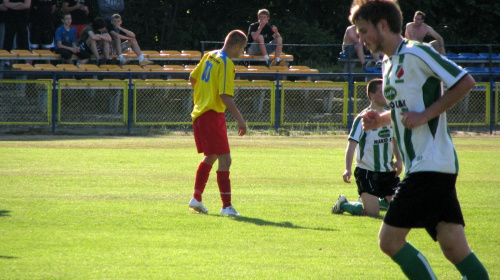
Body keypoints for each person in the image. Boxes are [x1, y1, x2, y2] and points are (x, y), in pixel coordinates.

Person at [350, 0, 489, 279]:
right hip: (427, 166)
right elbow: (405, 110)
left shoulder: (417, 52)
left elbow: (465, 82)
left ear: (383, 25)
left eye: (363, 31)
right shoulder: (388, 63)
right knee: (453, 246)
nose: (360, 38)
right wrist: (382, 119)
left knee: (389, 241)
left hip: (430, 164)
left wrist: (426, 115)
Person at [188, 30, 248, 217]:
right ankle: (226, 206)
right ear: (236, 46)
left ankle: (196, 199)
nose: (242, 53)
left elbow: (192, 79)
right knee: (225, 159)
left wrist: (203, 96)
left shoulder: (209, 55)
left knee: (212, 156)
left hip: (201, 112)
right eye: (242, 49)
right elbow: (225, 95)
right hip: (212, 114)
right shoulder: (226, 62)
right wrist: (240, 120)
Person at [333, 78, 402, 217]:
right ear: (372, 96)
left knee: (401, 211)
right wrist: (347, 168)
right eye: (382, 92)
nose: (386, 95)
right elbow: (352, 144)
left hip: (387, 172)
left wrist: (399, 160)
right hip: (367, 172)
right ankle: (343, 204)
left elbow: (394, 140)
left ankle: (381, 200)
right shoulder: (362, 118)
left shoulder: (390, 116)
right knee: (372, 214)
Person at [3, 0, 31, 68]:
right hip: (10, 19)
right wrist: (20, 4)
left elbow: (27, 5)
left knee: (24, 41)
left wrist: (11, 5)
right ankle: (7, 61)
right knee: (8, 40)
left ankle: (26, 62)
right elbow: (6, 4)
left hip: (23, 19)